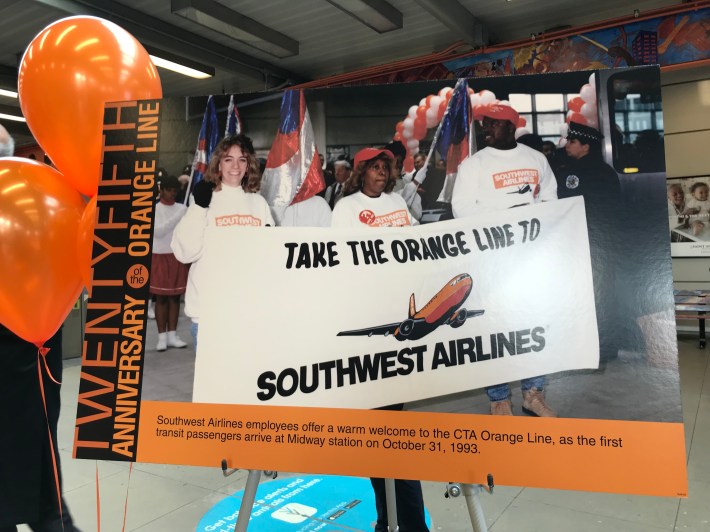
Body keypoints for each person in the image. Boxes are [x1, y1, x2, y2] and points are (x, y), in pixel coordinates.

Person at [332, 148, 427, 532]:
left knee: (388, 430)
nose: (382, 174)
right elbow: (339, 261)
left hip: (399, 323)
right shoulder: (345, 209)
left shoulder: (396, 204)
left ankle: (400, 521)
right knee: (381, 434)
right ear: (361, 172)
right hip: (367, 323)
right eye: (375, 168)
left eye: (386, 168)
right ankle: (392, 519)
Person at [451, 103, 557, 417]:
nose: (486, 129)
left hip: (531, 259)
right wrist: (505, 220)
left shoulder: (536, 159)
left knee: (534, 324)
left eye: (493, 124)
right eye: (485, 123)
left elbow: (551, 200)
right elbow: (462, 208)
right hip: (492, 260)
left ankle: (533, 393)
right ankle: (499, 399)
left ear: (511, 127)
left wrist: (533, 219)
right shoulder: (474, 164)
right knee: (494, 327)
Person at [0, 124, 80, 531]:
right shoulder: (44, 199)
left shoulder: (36, 202)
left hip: (27, 362)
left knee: (42, 500)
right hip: (36, 367)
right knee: (44, 493)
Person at [171, 134, 274, 347]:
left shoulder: (259, 203)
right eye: (228, 159)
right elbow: (184, 253)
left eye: (242, 159)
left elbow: (269, 257)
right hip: (211, 317)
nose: (235, 165)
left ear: (249, 166)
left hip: (250, 315)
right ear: (219, 164)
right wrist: (199, 208)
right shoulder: (205, 200)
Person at [554, 121, 621, 363]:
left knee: (584, 295)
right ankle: (607, 347)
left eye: (572, 142)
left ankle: (588, 348)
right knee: (604, 293)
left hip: (582, 243)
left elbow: (563, 205)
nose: (567, 145)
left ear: (586, 147)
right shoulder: (606, 172)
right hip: (604, 245)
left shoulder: (575, 172)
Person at [150, 175, 189, 351]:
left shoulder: (183, 208)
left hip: (177, 256)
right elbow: (158, 232)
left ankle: (172, 335)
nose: (172, 194)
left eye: (175, 191)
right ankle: (161, 338)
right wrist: (178, 216)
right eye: (169, 190)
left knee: (174, 298)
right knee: (161, 299)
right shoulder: (155, 209)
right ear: (162, 191)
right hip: (159, 256)